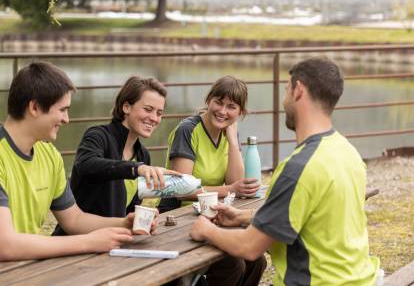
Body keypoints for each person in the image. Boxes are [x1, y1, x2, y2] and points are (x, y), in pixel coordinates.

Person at [0, 62, 145, 278]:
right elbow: (6, 245)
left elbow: (74, 220)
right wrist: (88, 242)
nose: (67, 119)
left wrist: (124, 224)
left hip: (24, 275)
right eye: (63, 110)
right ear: (35, 107)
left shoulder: (50, 156)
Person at [190, 58, 380, 285]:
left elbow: (249, 247)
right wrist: (241, 216)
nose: (284, 99)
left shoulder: (298, 168)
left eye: (286, 90)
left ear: (298, 90)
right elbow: (309, 216)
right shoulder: (346, 151)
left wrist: (206, 229)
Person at [159, 75, 266, 286]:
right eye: (218, 102)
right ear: (209, 100)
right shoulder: (188, 130)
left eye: (231, 107)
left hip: (211, 216)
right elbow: (180, 190)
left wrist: (233, 141)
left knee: (257, 261)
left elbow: (236, 184)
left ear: (240, 112)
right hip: (176, 218)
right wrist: (229, 189)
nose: (222, 111)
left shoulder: (228, 133)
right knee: (234, 264)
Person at [54, 76, 180, 236]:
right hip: (77, 239)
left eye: (159, 113)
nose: (154, 118)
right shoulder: (98, 135)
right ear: (126, 107)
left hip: (114, 241)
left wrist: (140, 221)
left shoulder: (143, 155)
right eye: (148, 109)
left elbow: (129, 213)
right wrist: (136, 169)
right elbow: (87, 164)